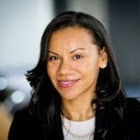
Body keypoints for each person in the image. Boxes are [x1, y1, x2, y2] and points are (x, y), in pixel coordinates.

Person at [8, 11, 140, 140]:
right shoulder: (26, 123)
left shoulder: (134, 117)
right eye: (54, 58)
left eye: (77, 56)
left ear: (102, 58)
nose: (63, 70)